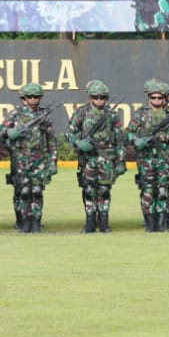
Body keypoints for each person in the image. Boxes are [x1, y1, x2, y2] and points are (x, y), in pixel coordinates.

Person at [0, 82, 57, 233]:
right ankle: (22, 220)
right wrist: (10, 132)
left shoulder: (43, 116)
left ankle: (35, 220)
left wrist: (53, 161)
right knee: (22, 191)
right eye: (30, 97)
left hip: (39, 159)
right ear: (24, 98)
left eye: (36, 97)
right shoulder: (14, 115)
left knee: (36, 191)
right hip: (20, 159)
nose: (33, 100)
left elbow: (51, 141)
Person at [128, 79, 169, 232]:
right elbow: (128, 134)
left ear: (164, 98)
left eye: (160, 98)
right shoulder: (140, 114)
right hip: (146, 160)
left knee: (163, 191)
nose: (156, 101)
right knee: (147, 191)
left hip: (165, 160)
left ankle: (161, 224)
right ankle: (149, 224)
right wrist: (137, 140)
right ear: (148, 98)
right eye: (153, 97)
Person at [66, 80, 125, 233]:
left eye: (103, 97)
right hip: (88, 159)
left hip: (107, 158)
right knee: (89, 190)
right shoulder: (82, 113)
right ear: (90, 98)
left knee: (104, 190)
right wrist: (79, 143)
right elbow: (69, 134)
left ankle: (104, 221)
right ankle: (90, 221)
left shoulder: (112, 115)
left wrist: (120, 161)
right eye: (96, 97)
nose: (99, 100)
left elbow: (119, 140)